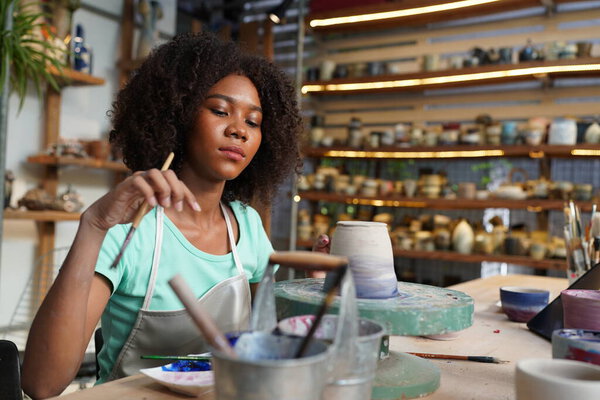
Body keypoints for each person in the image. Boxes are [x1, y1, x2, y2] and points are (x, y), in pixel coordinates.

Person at [21, 32, 303, 399]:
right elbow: (42, 383)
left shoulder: (247, 226)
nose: (238, 130)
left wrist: (311, 290)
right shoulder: (127, 230)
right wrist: (92, 226)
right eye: (220, 111)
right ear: (178, 115)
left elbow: (268, 343)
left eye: (253, 122)